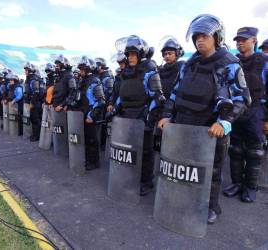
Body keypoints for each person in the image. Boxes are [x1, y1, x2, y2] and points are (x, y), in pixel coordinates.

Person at [157, 14, 250, 224]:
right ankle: (183, 199)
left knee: (211, 171)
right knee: (182, 166)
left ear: (216, 37)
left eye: (205, 36)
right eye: (197, 36)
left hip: (210, 128)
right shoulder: (189, 64)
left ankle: (210, 206)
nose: (200, 40)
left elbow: (242, 98)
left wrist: (225, 122)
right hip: (184, 125)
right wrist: (167, 116)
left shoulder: (229, 64)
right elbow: (175, 93)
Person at [112, 35, 166, 195]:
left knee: (146, 152)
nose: (130, 57)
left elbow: (158, 97)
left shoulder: (149, 70)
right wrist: (116, 108)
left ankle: (146, 182)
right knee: (129, 150)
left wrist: (148, 118)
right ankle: (132, 176)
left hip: (142, 118)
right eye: (128, 55)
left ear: (141, 54)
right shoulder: (126, 72)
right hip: (126, 119)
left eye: (133, 54)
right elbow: (121, 95)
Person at [223, 27, 268, 202]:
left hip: (257, 111)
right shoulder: (233, 62)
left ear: (254, 41)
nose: (239, 42)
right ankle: (236, 183)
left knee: (255, 152)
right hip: (236, 110)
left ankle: (250, 188)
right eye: (238, 40)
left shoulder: (264, 62)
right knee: (235, 150)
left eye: (243, 39)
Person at [76, 56, 105, 170]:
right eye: (80, 68)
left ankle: (94, 163)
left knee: (93, 140)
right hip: (83, 114)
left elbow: (101, 101)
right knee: (87, 139)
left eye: (83, 68)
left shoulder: (95, 81)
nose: (81, 70)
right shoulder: (83, 81)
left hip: (91, 116)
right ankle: (88, 160)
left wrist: (91, 115)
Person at [24, 62, 44, 141]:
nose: (25, 72)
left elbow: (36, 92)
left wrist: (32, 103)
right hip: (36, 102)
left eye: (26, 70)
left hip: (35, 103)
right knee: (36, 119)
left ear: (30, 71)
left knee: (35, 119)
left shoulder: (33, 80)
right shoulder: (32, 79)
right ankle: (36, 135)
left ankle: (36, 136)